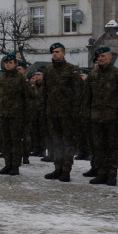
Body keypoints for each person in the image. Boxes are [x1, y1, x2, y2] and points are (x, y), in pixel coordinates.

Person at [81, 46, 118, 186]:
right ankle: (101, 173)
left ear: (111, 56)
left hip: (113, 118)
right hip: (96, 117)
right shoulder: (93, 75)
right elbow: (87, 98)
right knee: (98, 146)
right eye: (99, 56)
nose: (100, 59)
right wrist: (85, 115)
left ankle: (112, 174)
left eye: (103, 56)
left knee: (113, 147)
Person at [42, 43, 82, 182]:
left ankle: (66, 170)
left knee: (67, 142)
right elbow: (45, 92)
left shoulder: (72, 70)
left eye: (58, 51)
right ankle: (57, 168)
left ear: (64, 53)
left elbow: (78, 93)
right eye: (53, 51)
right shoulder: (48, 70)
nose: (55, 54)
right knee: (56, 142)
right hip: (52, 112)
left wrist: (75, 112)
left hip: (68, 113)